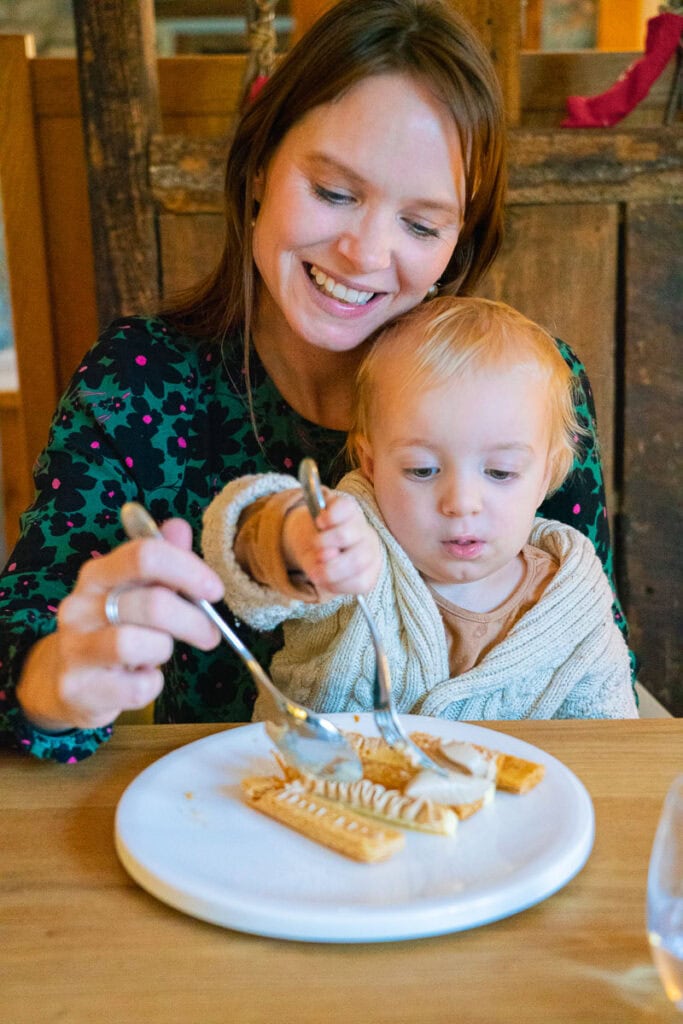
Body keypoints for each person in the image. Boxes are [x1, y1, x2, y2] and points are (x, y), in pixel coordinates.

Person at [0, 0, 631, 763]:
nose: (365, 253)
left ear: (459, 240)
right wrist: (56, 686)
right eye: (333, 193)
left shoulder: (530, 390)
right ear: (261, 165)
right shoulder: (144, 381)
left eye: (422, 225)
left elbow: (583, 629)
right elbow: (27, 630)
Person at [203, 297, 638, 721]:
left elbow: (608, 744)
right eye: (423, 470)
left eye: (501, 473)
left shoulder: (572, 598)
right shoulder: (348, 548)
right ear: (372, 465)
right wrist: (294, 538)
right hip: (312, 786)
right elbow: (241, 560)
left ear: (548, 476)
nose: (461, 504)